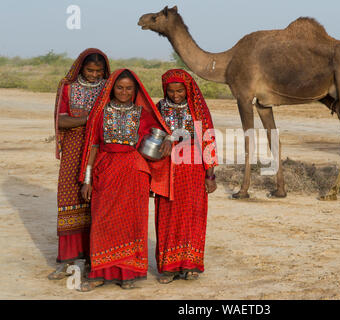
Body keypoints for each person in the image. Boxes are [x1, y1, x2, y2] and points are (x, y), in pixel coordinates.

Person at [77, 69, 171, 291]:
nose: (124, 92)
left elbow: (162, 130)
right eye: (120, 87)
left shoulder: (142, 113)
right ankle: (98, 273)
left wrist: (168, 138)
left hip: (134, 172)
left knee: (131, 223)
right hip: (106, 169)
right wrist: (87, 179)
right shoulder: (100, 113)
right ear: (112, 88)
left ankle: (128, 273)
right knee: (102, 220)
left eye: (129, 88)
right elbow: (93, 145)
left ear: (135, 90)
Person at [151, 69, 218, 284]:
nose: (175, 94)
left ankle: (191, 264)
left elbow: (208, 139)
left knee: (192, 214)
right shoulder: (159, 107)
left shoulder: (197, 108)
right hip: (167, 169)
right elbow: (152, 134)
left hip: (193, 169)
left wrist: (210, 175)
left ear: (187, 89)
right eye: (170, 90)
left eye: (179, 90)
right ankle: (169, 267)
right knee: (168, 214)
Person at [48, 48, 110, 280]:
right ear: (80, 68)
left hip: (100, 152)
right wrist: (89, 119)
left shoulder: (109, 88)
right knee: (69, 200)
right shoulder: (67, 87)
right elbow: (60, 121)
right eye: (90, 70)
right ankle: (67, 260)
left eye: (99, 71)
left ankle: (95, 259)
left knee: (97, 201)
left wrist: (79, 121)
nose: (94, 75)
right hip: (73, 152)